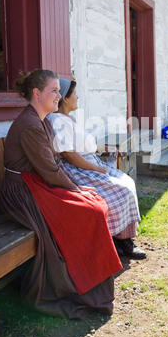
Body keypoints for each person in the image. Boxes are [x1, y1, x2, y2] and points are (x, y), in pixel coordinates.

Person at [0, 69, 123, 319]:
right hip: (23, 191)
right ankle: (79, 285)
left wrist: (79, 190)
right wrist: (77, 189)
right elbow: (50, 170)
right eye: (54, 91)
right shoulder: (31, 125)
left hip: (38, 183)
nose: (59, 95)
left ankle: (89, 281)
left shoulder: (42, 119)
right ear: (36, 93)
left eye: (59, 91)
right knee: (90, 209)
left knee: (94, 205)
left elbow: (51, 168)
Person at [47, 78, 146, 260]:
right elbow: (69, 155)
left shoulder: (69, 119)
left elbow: (86, 145)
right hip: (78, 169)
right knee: (118, 193)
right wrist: (96, 168)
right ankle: (112, 241)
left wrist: (107, 148)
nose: (78, 98)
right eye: (75, 95)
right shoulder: (56, 120)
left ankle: (123, 239)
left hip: (89, 163)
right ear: (65, 100)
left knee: (127, 183)